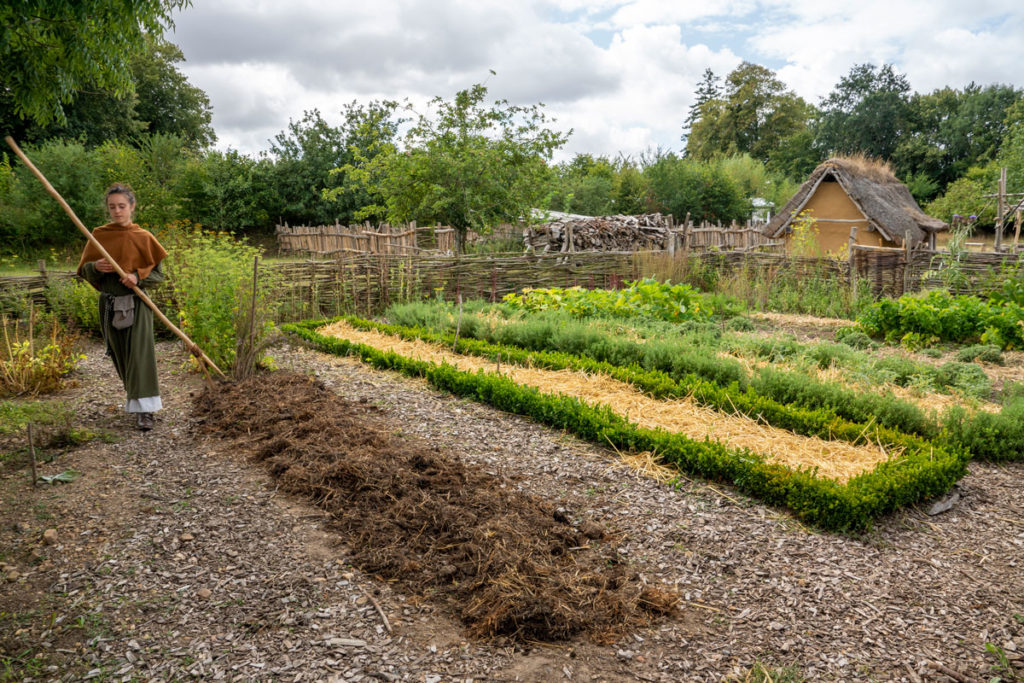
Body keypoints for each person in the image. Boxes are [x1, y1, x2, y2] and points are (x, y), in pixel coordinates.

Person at [77, 184, 168, 431]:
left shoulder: (143, 237)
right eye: (112, 207)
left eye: (121, 206)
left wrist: (138, 277)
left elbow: (159, 275)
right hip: (109, 304)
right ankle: (136, 401)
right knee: (121, 356)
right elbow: (84, 271)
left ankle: (146, 411)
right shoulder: (99, 235)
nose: (117, 211)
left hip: (137, 304)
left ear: (132, 207)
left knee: (139, 355)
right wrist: (95, 267)